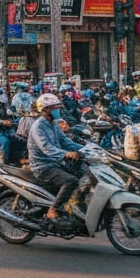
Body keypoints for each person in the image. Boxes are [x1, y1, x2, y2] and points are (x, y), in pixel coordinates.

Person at [26, 93, 85, 223]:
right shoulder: (38, 127)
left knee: (82, 175)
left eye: (57, 107)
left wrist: (85, 148)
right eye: (54, 108)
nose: (57, 110)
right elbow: (46, 148)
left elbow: (65, 141)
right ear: (45, 110)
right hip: (43, 166)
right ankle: (53, 209)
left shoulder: (53, 123)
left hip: (55, 163)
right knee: (71, 181)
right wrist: (66, 154)